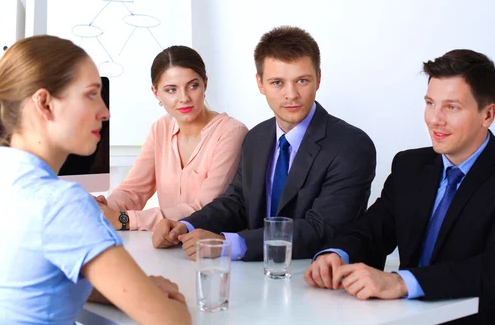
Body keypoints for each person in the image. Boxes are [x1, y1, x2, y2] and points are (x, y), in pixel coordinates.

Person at [0, 36, 190, 324]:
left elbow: (28, 282)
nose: (105, 112)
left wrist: (127, 289)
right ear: (44, 103)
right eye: (92, 94)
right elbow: (173, 321)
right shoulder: (60, 204)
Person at [304, 49, 495, 324]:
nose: (435, 119)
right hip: (404, 318)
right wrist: (336, 254)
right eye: (430, 103)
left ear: (488, 115)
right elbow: (371, 230)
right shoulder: (410, 166)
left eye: (452, 107)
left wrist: (400, 282)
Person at [152, 26, 377, 262]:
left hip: (318, 279)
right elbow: (237, 202)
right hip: (258, 277)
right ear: (260, 84)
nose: (291, 94)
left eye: (302, 80)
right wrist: (185, 226)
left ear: (318, 79)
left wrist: (228, 244)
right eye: (277, 82)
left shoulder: (351, 146)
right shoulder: (256, 138)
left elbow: (322, 229)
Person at [97, 46, 248, 231]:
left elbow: (204, 208)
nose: (184, 98)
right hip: (166, 245)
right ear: (156, 93)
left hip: (212, 248)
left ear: (205, 84)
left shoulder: (232, 132)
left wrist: (123, 219)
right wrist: (105, 208)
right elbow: (134, 190)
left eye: (193, 86)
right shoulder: (161, 128)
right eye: (171, 90)